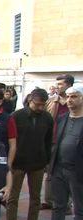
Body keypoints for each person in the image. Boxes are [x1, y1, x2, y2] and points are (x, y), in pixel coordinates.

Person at [2, 89, 53, 220]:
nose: (40, 108)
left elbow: (48, 141)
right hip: (18, 163)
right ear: (30, 100)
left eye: (43, 105)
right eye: (37, 104)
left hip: (38, 163)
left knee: (35, 198)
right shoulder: (17, 116)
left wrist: (46, 161)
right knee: (12, 198)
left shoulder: (47, 118)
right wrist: (9, 162)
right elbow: (9, 140)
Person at [46, 84, 83, 220]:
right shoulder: (62, 118)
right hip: (58, 168)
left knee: (79, 208)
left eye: (74, 96)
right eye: (67, 97)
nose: (69, 100)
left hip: (77, 171)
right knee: (58, 205)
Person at [43, 74, 75, 210]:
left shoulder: (76, 101)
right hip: (52, 141)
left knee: (68, 173)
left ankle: (67, 203)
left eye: (61, 84)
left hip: (69, 143)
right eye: (57, 84)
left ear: (69, 85)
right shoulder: (51, 101)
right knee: (50, 172)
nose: (57, 86)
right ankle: (49, 200)